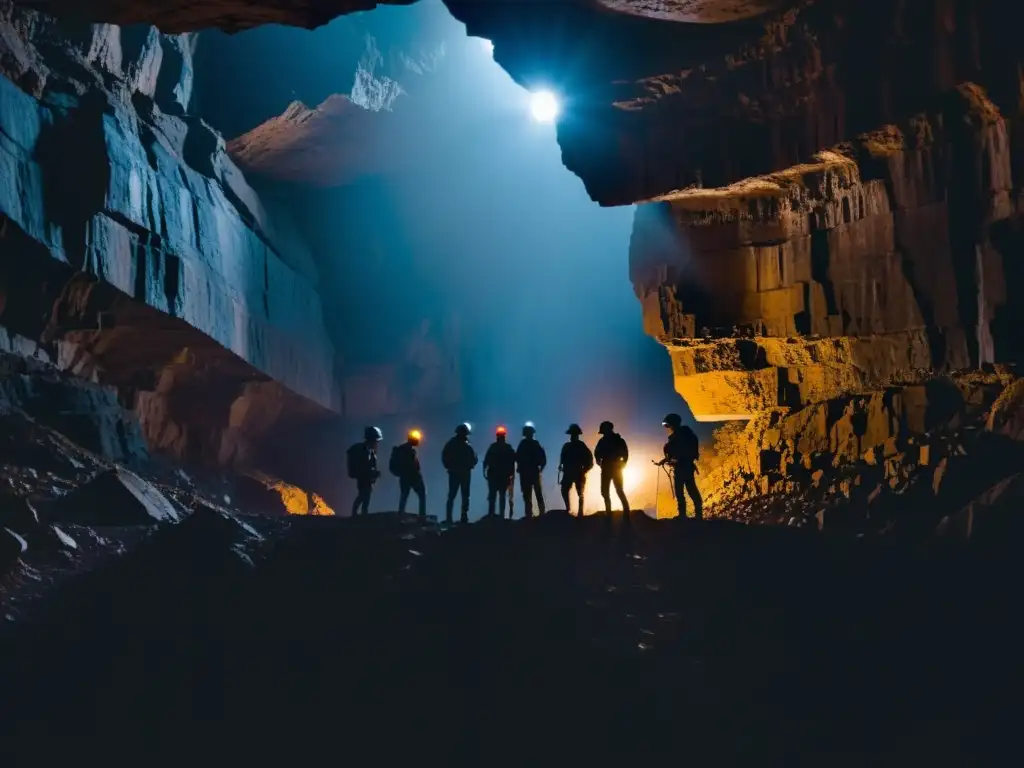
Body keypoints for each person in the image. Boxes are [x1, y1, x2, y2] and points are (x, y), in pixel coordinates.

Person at [658, 413, 703, 520]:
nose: (667, 428)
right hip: (687, 466)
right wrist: (665, 460)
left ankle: (683, 515)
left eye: (668, 425)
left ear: (672, 424)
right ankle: (698, 514)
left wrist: (671, 460)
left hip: (681, 467)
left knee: (681, 491)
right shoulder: (687, 435)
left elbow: (678, 452)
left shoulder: (678, 436)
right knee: (691, 489)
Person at [442, 422, 478, 525]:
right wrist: (471, 465)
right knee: (464, 496)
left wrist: (449, 466)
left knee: (452, 496)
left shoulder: (451, 444)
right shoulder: (467, 445)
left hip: (454, 473)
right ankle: (463, 517)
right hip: (464, 473)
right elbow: (474, 458)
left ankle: (450, 518)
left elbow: (445, 456)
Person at [594, 420, 630, 518]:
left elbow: (625, 454)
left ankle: (626, 513)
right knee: (605, 492)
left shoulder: (619, 440)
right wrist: (598, 460)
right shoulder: (602, 441)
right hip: (606, 469)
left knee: (619, 490)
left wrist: (622, 464)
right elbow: (596, 452)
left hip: (616, 469)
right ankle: (609, 513)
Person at [390, 428, 426, 520]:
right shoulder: (405, 450)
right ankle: (421, 516)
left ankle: (401, 515)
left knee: (405, 496)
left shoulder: (407, 450)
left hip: (408, 477)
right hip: (410, 477)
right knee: (417, 495)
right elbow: (411, 465)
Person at [559, 423, 593, 517]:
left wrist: (584, 470)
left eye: (575, 434)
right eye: (572, 434)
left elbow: (590, 461)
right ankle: (568, 509)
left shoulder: (581, 446)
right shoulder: (566, 446)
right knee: (564, 490)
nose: (573, 436)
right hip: (569, 472)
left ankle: (580, 511)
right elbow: (562, 459)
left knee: (580, 493)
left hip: (578, 472)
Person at [347, 426, 382, 517]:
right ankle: (358, 514)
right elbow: (365, 467)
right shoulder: (365, 451)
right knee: (363, 495)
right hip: (364, 478)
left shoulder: (369, 451)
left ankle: (362, 514)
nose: (377, 443)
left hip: (366, 478)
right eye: (376, 441)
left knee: (365, 496)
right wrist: (373, 473)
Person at [483, 425, 517, 518]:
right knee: (500, 496)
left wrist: (485, 472)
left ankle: (492, 514)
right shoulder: (507, 447)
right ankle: (500, 515)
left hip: (495, 475)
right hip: (502, 476)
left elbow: (486, 461)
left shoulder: (493, 447)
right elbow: (514, 459)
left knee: (493, 496)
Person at [515, 422, 547, 518]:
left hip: (526, 473)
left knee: (528, 494)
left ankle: (530, 514)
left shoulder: (523, 445)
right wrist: (541, 467)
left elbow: (517, 457)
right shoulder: (535, 444)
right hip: (533, 472)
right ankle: (540, 513)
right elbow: (543, 458)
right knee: (535, 493)